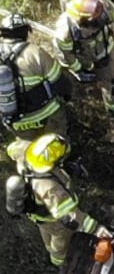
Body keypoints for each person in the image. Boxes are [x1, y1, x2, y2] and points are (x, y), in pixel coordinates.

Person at [10, 133, 114, 269]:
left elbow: (11, 149)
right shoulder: (50, 187)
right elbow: (68, 216)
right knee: (59, 240)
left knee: (45, 232)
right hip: (54, 221)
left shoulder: (27, 151)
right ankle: (58, 263)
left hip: (38, 215)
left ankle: (51, 252)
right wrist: (96, 229)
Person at [0, 12, 71, 166]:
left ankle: (29, 167)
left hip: (16, 120)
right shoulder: (35, 53)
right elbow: (60, 83)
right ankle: (59, 166)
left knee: (30, 150)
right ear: (26, 31)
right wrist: (67, 97)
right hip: (47, 114)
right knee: (56, 144)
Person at [51, 0, 114, 116]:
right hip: (82, 56)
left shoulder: (103, 6)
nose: (100, 18)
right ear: (81, 20)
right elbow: (65, 55)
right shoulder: (64, 32)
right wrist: (79, 70)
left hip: (104, 50)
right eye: (94, 20)